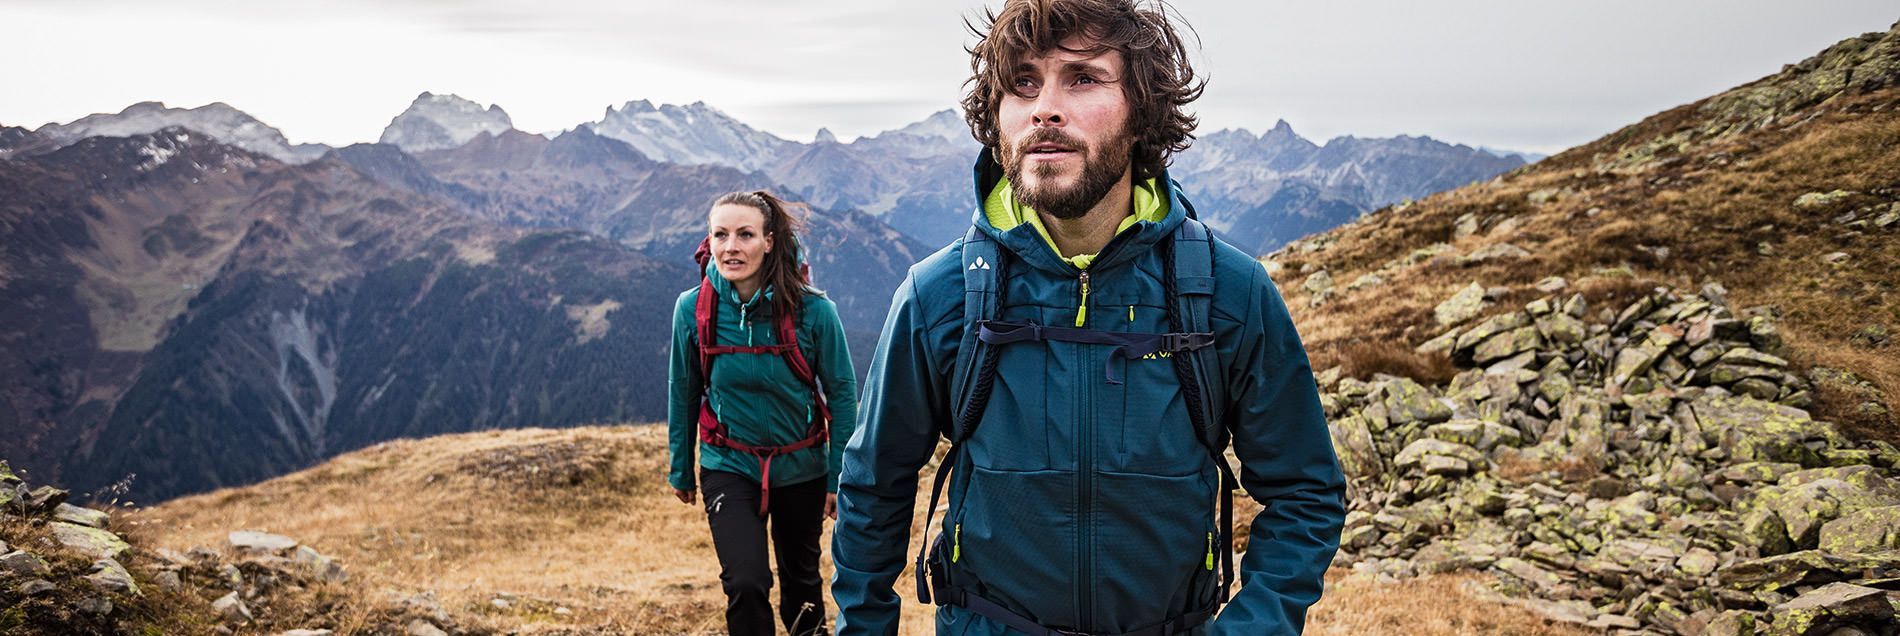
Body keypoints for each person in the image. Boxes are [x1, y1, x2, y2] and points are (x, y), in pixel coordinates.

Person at [830, 1, 1345, 634]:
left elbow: (1305, 492)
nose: (1045, 106)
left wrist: (1253, 626)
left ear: (1141, 114)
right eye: (1022, 83)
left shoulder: (1227, 294)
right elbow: (874, 482)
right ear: (997, 118)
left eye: (1083, 78)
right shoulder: (943, 296)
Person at [668, 190, 857, 636]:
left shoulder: (814, 311)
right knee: (747, 584)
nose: (731, 246)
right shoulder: (693, 310)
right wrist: (680, 468)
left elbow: (844, 397)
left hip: (801, 469)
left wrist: (838, 478)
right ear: (709, 240)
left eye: (745, 234)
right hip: (728, 465)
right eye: (721, 234)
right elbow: (683, 391)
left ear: (769, 241)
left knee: (802, 590)